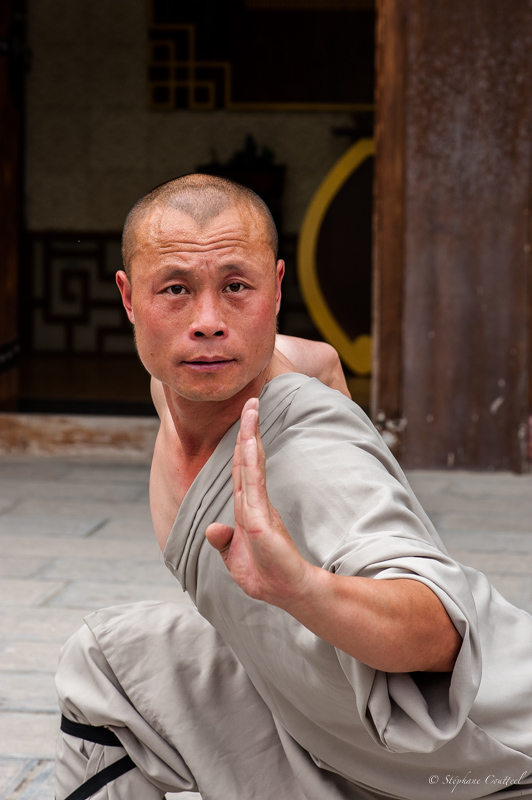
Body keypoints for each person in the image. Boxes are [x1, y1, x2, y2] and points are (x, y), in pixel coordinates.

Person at [55, 174, 532, 800]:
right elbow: (319, 357)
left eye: (236, 287)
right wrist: (327, 371)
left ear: (276, 288)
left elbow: (441, 633)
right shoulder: (182, 380)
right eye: (175, 289)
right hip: (323, 731)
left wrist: (302, 588)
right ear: (129, 297)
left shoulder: (313, 457)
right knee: (111, 664)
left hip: (473, 772)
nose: (207, 322)